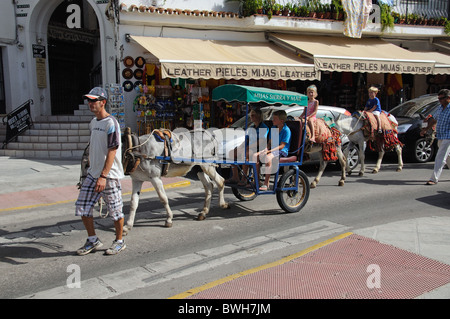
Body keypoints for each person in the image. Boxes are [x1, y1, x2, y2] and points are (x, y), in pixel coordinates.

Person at [75, 87, 126, 255]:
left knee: (115, 211)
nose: (90, 103)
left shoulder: (111, 123)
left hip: (108, 175)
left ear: (103, 102)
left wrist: (103, 175)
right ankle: (93, 240)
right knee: (83, 207)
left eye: (93, 101)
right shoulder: (93, 122)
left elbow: (112, 150)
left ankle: (119, 241)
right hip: (93, 174)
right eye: (89, 100)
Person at [226, 108, 269, 185]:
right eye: (251, 115)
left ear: (258, 116)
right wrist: (240, 147)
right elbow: (246, 139)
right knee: (231, 152)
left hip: (258, 149)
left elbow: (261, 141)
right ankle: (235, 176)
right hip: (249, 148)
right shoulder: (251, 127)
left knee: (245, 154)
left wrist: (247, 148)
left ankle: (244, 178)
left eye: (253, 115)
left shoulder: (264, 127)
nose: (251, 117)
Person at [252, 110, 291, 191]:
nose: (272, 120)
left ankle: (266, 183)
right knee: (255, 156)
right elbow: (270, 143)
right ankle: (257, 181)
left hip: (281, 151)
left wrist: (268, 152)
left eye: (274, 119)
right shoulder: (273, 128)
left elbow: (281, 146)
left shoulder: (286, 130)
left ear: (281, 121)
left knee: (267, 158)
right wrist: (266, 149)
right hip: (272, 150)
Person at [421, 89, 450, 185]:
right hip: (440, 135)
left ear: (448, 98)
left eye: (442, 98)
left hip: (448, 136)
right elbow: (434, 119)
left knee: (440, 157)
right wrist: (426, 129)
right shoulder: (440, 108)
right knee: (448, 157)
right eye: (439, 98)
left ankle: (434, 178)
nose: (440, 100)